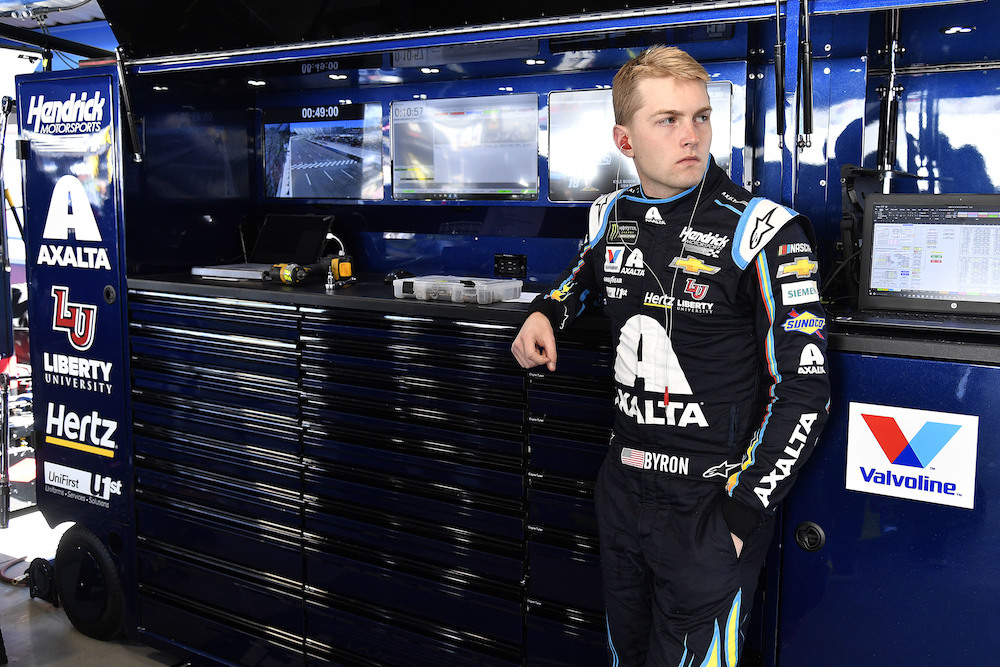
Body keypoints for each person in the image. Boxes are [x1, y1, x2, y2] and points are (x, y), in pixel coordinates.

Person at [511, 46, 830, 666]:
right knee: (625, 655)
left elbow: (805, 390)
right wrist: (545, 312)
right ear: (624, 140)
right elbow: (581, 280)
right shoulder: (611, 214)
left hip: (709, 503)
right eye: (668, 120)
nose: (692, 136)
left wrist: (740, 514)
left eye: (701, 117)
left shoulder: (764, 231)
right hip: (623, 491)